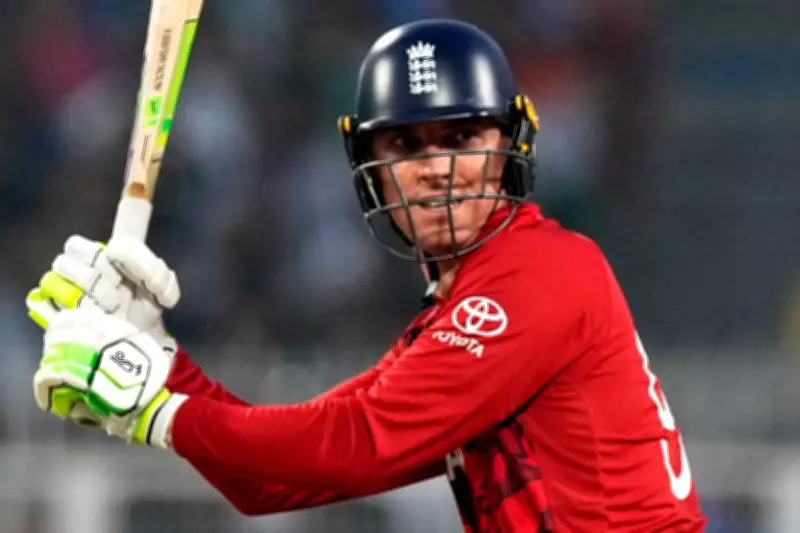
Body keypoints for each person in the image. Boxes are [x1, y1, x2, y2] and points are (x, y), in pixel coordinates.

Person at [26, 19, 707, 532]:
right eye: (406, 144)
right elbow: (272, 483)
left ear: (511, 147)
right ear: (371, 170)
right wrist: (164, 363)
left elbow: (357, 443)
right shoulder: (458, 309)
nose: (436, 168)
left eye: (462, 137)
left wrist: (155, 406)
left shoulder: (539, 275)